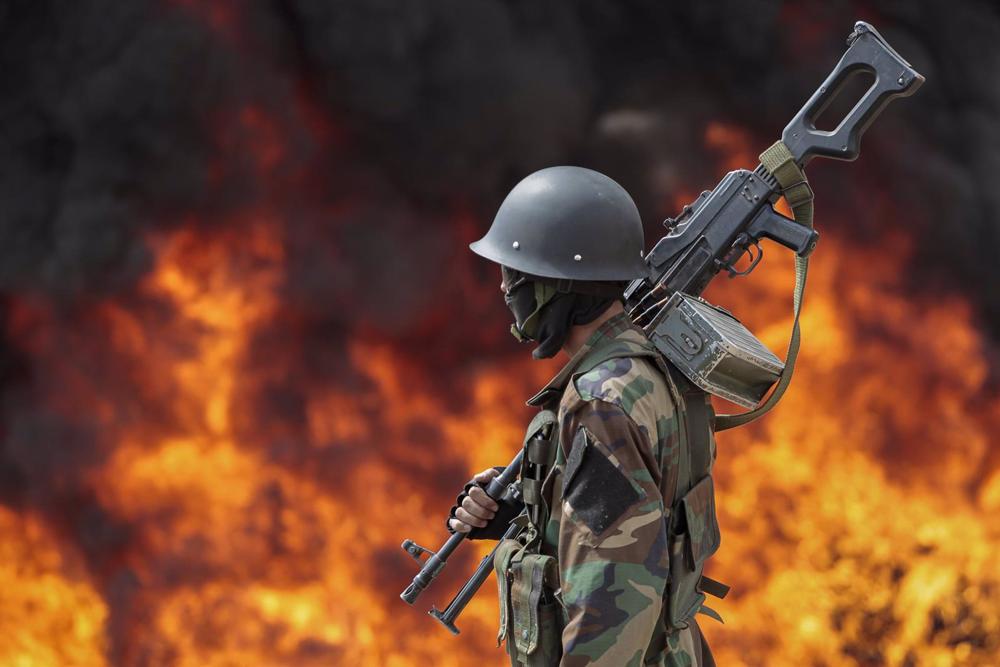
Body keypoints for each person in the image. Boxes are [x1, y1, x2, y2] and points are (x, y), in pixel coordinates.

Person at [448, 166, 723, 666]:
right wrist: (539, 513)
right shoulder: (649, 368)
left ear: (556, 286)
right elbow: (643, 520)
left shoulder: (601, 402)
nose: (507, 289)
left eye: (516, 274)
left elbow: (613, 597)